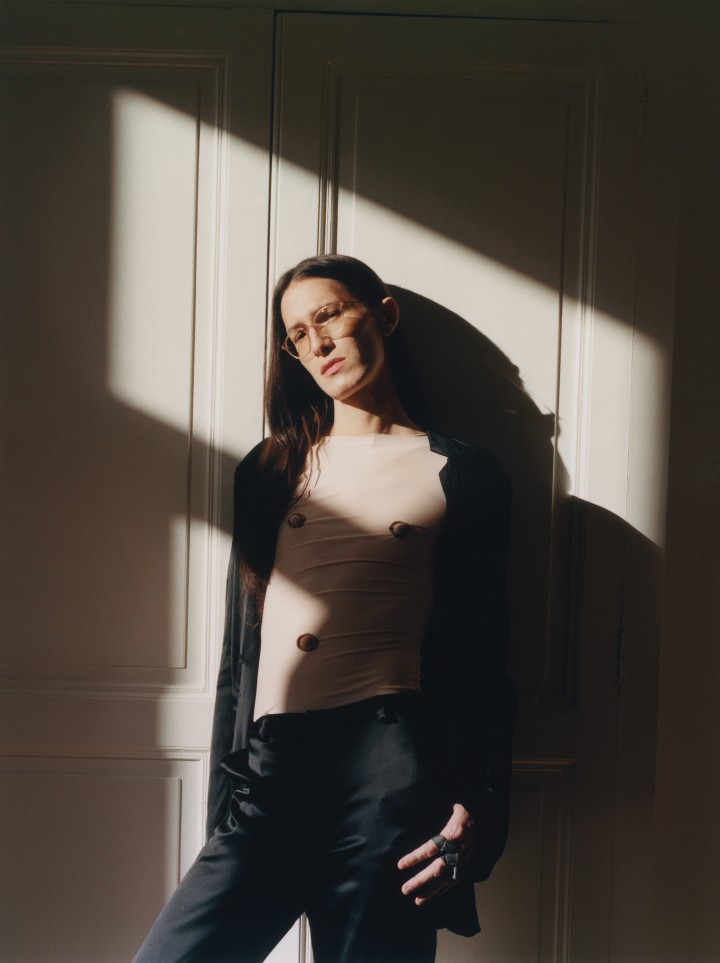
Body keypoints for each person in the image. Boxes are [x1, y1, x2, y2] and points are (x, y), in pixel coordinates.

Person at [132, 255, 516, 963]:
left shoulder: (461, 470)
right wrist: (223, 810)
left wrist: (481, 804)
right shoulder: (271, 469)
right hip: (273, 773)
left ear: (385, 314)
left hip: (388, 773)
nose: (318, 343)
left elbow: (484, 655)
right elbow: (240, 657)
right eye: (298, 335)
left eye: (330, 315)